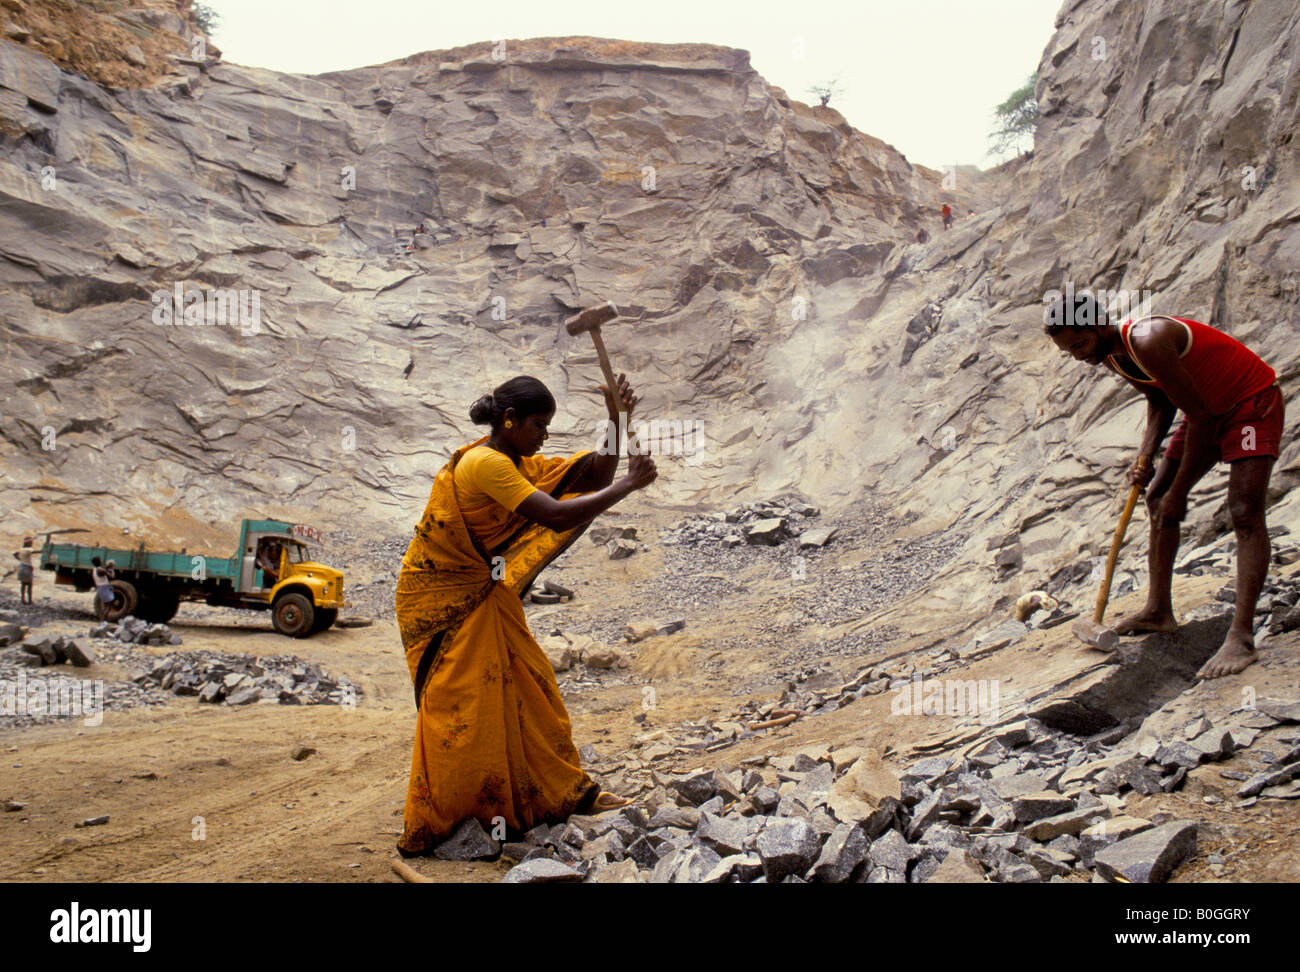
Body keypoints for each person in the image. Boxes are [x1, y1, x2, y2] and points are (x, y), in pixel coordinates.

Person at [394, 373, 657, 856]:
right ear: (510, 420)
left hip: (483, 591)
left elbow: (591, 476)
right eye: (539, 425)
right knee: (464, 708)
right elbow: (556, 514)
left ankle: (552, 795)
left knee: (528, 685)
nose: (544, 436)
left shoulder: (516, 461)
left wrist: (618, 419)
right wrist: (630, 485)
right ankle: (456, 817)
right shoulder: (486, 465)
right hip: (441, 599)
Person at [1046, 292, 1285, 679]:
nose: (1077, 356)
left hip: (1249, 403)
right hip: (1205, 409)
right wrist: (1145, 456)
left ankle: (1240, 638)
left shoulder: (1147, 339)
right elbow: (1159, 399)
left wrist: (1181, 492)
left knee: (1243, 511)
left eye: (1079, 344)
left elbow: (1202, 420)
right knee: (1156, 496)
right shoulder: (1109, 352)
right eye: (1067, 350)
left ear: (1099, 326)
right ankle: (1160, 611)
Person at [13, 537, 35, 605]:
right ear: (28, 543)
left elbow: (14, 554)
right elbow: (35, 551)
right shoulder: (28, 549)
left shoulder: (21, 549)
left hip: (22, 568)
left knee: (23, 585)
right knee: (29, 585)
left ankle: (23, 599)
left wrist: (21, 560)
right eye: (31, 542)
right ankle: (30, 601)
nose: (32, 543)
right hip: (27, 569)